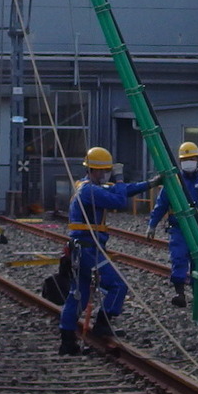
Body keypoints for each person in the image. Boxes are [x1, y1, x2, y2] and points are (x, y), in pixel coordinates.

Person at [59, 148, 158, 355]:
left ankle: (67, 341)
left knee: (79, 295)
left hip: (82, 249)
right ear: (94, 171)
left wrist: (150, 184)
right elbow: (119, 199)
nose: (106, 176)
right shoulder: (90, 191)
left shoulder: (86, 186)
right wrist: (120, 178)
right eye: (104, 172)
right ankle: (104, 322)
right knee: (117, 285)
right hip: (88, 251)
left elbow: (124, 190)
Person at [146, 141, 198, 308]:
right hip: (178, 227)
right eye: (185, 159)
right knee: (178, 257)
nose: (189, 162)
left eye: (192, 158)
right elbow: (161, 204)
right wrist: (152, 224)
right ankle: (180, 293)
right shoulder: (173, 181)